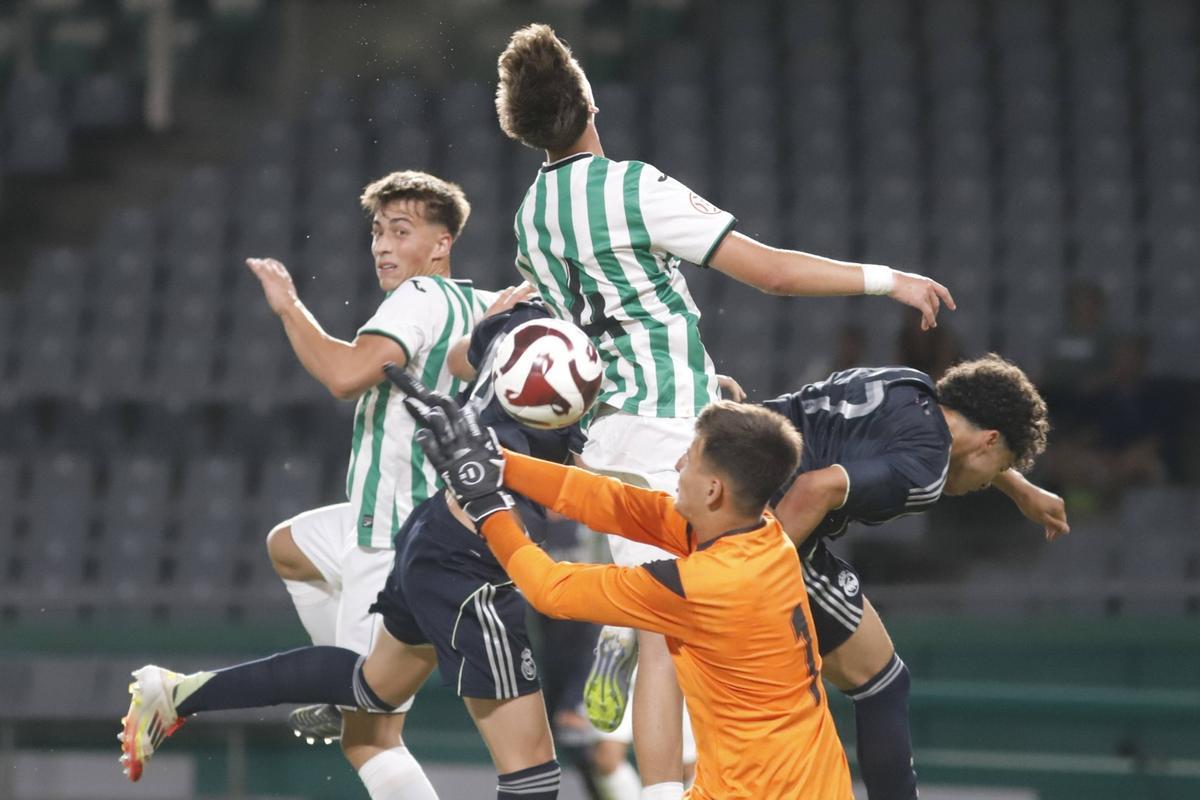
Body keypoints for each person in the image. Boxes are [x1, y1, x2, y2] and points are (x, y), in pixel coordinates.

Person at [494, 23, 955, 799]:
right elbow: (771, 273)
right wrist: (888, 279)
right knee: (677, 633)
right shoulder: (631, 186)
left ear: (521, 128)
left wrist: (704, 377)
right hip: (673, 437)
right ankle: (661, 775)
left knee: (661, 620)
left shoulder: (530, 217)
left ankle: (625, 662)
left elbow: (590, 334)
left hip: (608, 435)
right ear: (589, 100)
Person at [120, 298, 576, 799]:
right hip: (477, 555)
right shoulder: (600, 354)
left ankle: (177, 694)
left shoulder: (523, 315)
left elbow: (459, 359)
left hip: (433, 528)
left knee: (371, 689)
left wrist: (494, 340)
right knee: (532, 772)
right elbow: (592, 487)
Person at [399, 380, 854, 800]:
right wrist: (500, 464)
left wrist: (486, 506)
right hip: (817, 783)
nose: (677, 464)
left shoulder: (702, 584)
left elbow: (551, 589)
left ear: (714, 490)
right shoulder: (761, 534)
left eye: (690, 457)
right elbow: (613, 503)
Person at [234, 170, 502, 799]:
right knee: (288, 546)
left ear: (442, 244)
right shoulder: (483, 305)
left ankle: (350, 686)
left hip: (392, 536)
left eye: (401, 231)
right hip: (414, 518)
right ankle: (344, 678)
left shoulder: (419, 297)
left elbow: (345, 375)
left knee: (370, 739)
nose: (382, 245)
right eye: (378, 231)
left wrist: (288, 307)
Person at [763, 355, 1067, 799]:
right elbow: (814, 488)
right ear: (989, 440)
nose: (988, 483)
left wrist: (1020, 487)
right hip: (764, 512)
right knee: (881, 683)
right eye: (999, 468)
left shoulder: (906, 383)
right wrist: (744, 575)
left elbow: (954, 442)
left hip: (731, 450)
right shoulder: (924, 474)